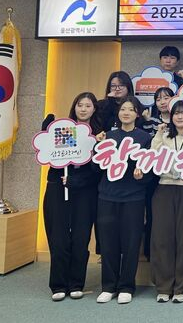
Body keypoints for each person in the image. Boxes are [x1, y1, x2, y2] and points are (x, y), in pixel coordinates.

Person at [42, 92, 103, 301]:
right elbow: (52, 157)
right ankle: (58, 284)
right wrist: (46, 132)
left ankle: (76, 283)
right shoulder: (63, 129)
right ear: (74, 107)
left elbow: (98, 170)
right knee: (58, 238)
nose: (83, 109)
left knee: (80, 238)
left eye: (88, 105)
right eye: (80, 105)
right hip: (59, 189)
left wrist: (78, 180)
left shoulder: (98, 135)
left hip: (85, 192)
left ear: (94, 109)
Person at [95, 96, 153, 304]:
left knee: (131, 242)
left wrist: (142, 174)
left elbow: (151, 170)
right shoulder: (108, 136)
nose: (126, 113)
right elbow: (96, 167)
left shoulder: (145, 138)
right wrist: (97, 146)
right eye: (123, 109)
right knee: (108, 242)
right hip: (107, 195)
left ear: (137, 114)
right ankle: (108, 286)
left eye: (131, 109)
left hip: (133, 197)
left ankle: (127, 286)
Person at [150, 100, 183, 304]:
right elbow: (153, 158)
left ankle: (181, 287)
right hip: (164, 188)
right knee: (162, 238)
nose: (180, 117)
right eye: (176, 113)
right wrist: (158, 135)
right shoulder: (164, 136)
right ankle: (164, 287)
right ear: (171, 116)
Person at [140, 86, 175, 261]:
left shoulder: (179, 119)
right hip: (154, 173)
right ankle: (149, 251)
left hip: (174, 173)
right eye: (158, 99)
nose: (162, 102)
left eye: (166, 98)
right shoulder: (151, 120)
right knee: (153, 213)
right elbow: (148, 145)